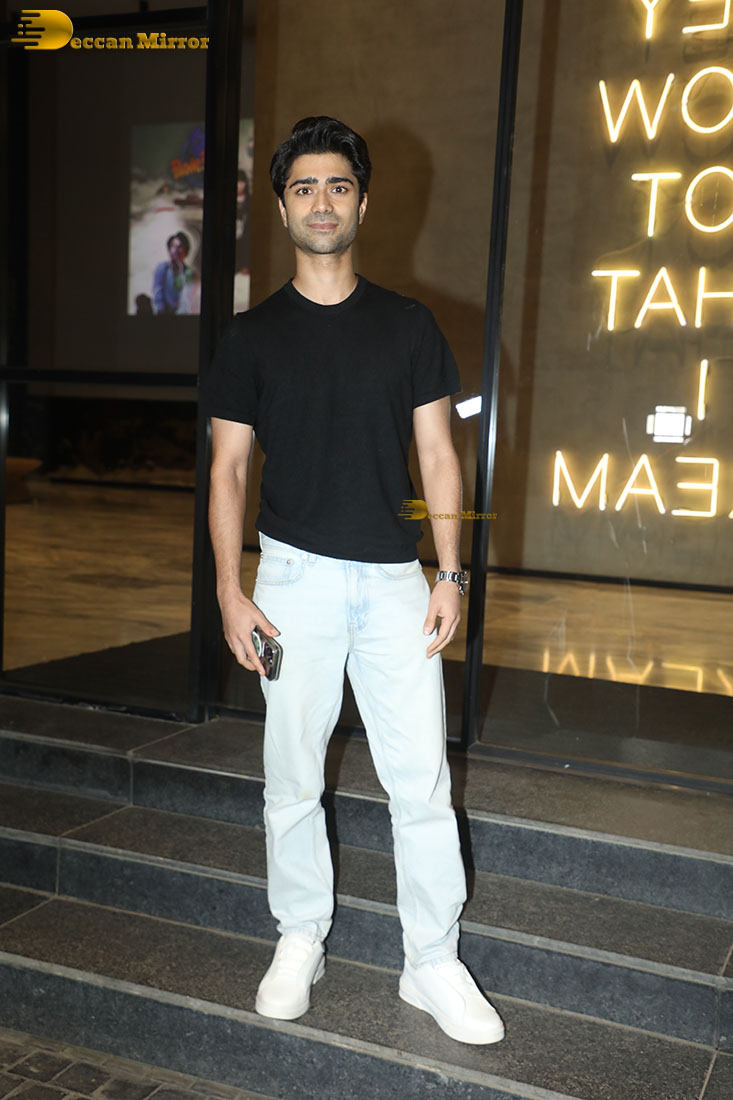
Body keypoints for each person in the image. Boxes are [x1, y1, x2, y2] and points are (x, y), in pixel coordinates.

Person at [201, 117, 505, 1046]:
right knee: (291, 778)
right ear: (281, 208)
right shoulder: (250, 338)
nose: (321, 202)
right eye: (303, 187)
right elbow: (226, 471)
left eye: (337, 185)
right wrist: (230, 590)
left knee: (421, 784)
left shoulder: (407, 326)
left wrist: (450, 574)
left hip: (394, 585)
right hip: (291, 581)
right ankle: (300, 938)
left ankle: (431, 960)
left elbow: (438, 456)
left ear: (362, 203)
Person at [152, 231, 195, 314]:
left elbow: (189, 296)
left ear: (185, 250)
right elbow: (157, 292)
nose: (176, 250)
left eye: (179, 247)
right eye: (173, 246)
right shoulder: (162, 268)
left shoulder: (189, 272)